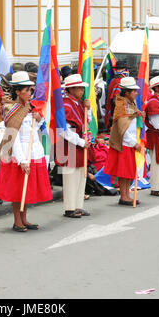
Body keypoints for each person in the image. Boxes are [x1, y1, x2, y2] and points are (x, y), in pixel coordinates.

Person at [0, 71, 51, 232]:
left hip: (33, 151)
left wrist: (39, 119)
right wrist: (21, 160)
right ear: (17, 91)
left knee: (26, 188)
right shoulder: (11, 109)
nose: (29, 93)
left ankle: (24, 218)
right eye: (26, 90)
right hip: (18, 154)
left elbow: (38, 129)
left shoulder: (31, 107)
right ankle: (17, 220)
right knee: (18, 189)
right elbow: (14, 138)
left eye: (30, 90)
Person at [55, 74, 91, 218]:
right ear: (71, 89)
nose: (82, 91)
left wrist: (88, 110)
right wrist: (81, 142)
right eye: (79, 88)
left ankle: (78, 205)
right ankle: (70, 208)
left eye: (82, 88)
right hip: (69, 145)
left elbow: (86, 122)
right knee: (70, 176)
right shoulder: (65, 105)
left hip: (80, 143)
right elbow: (64, 129)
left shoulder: (79, 103)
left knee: (81, 175)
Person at [104, 77, 143, 206]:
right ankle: (124, 196)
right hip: (124, 143)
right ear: (127, 92)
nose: (136, 93)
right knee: (124, 172)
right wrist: (134, 143)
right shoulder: (121, 106)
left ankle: (127, 195)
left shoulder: (131, 104)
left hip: (130, 143)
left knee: (129, 172)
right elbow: (122, 130)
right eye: (134, 91)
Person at [104, 61, 129, 129]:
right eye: (119, 68)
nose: (119, 70)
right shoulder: (118, 81)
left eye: (122, 68)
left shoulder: (115, 80)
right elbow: (115, 100)